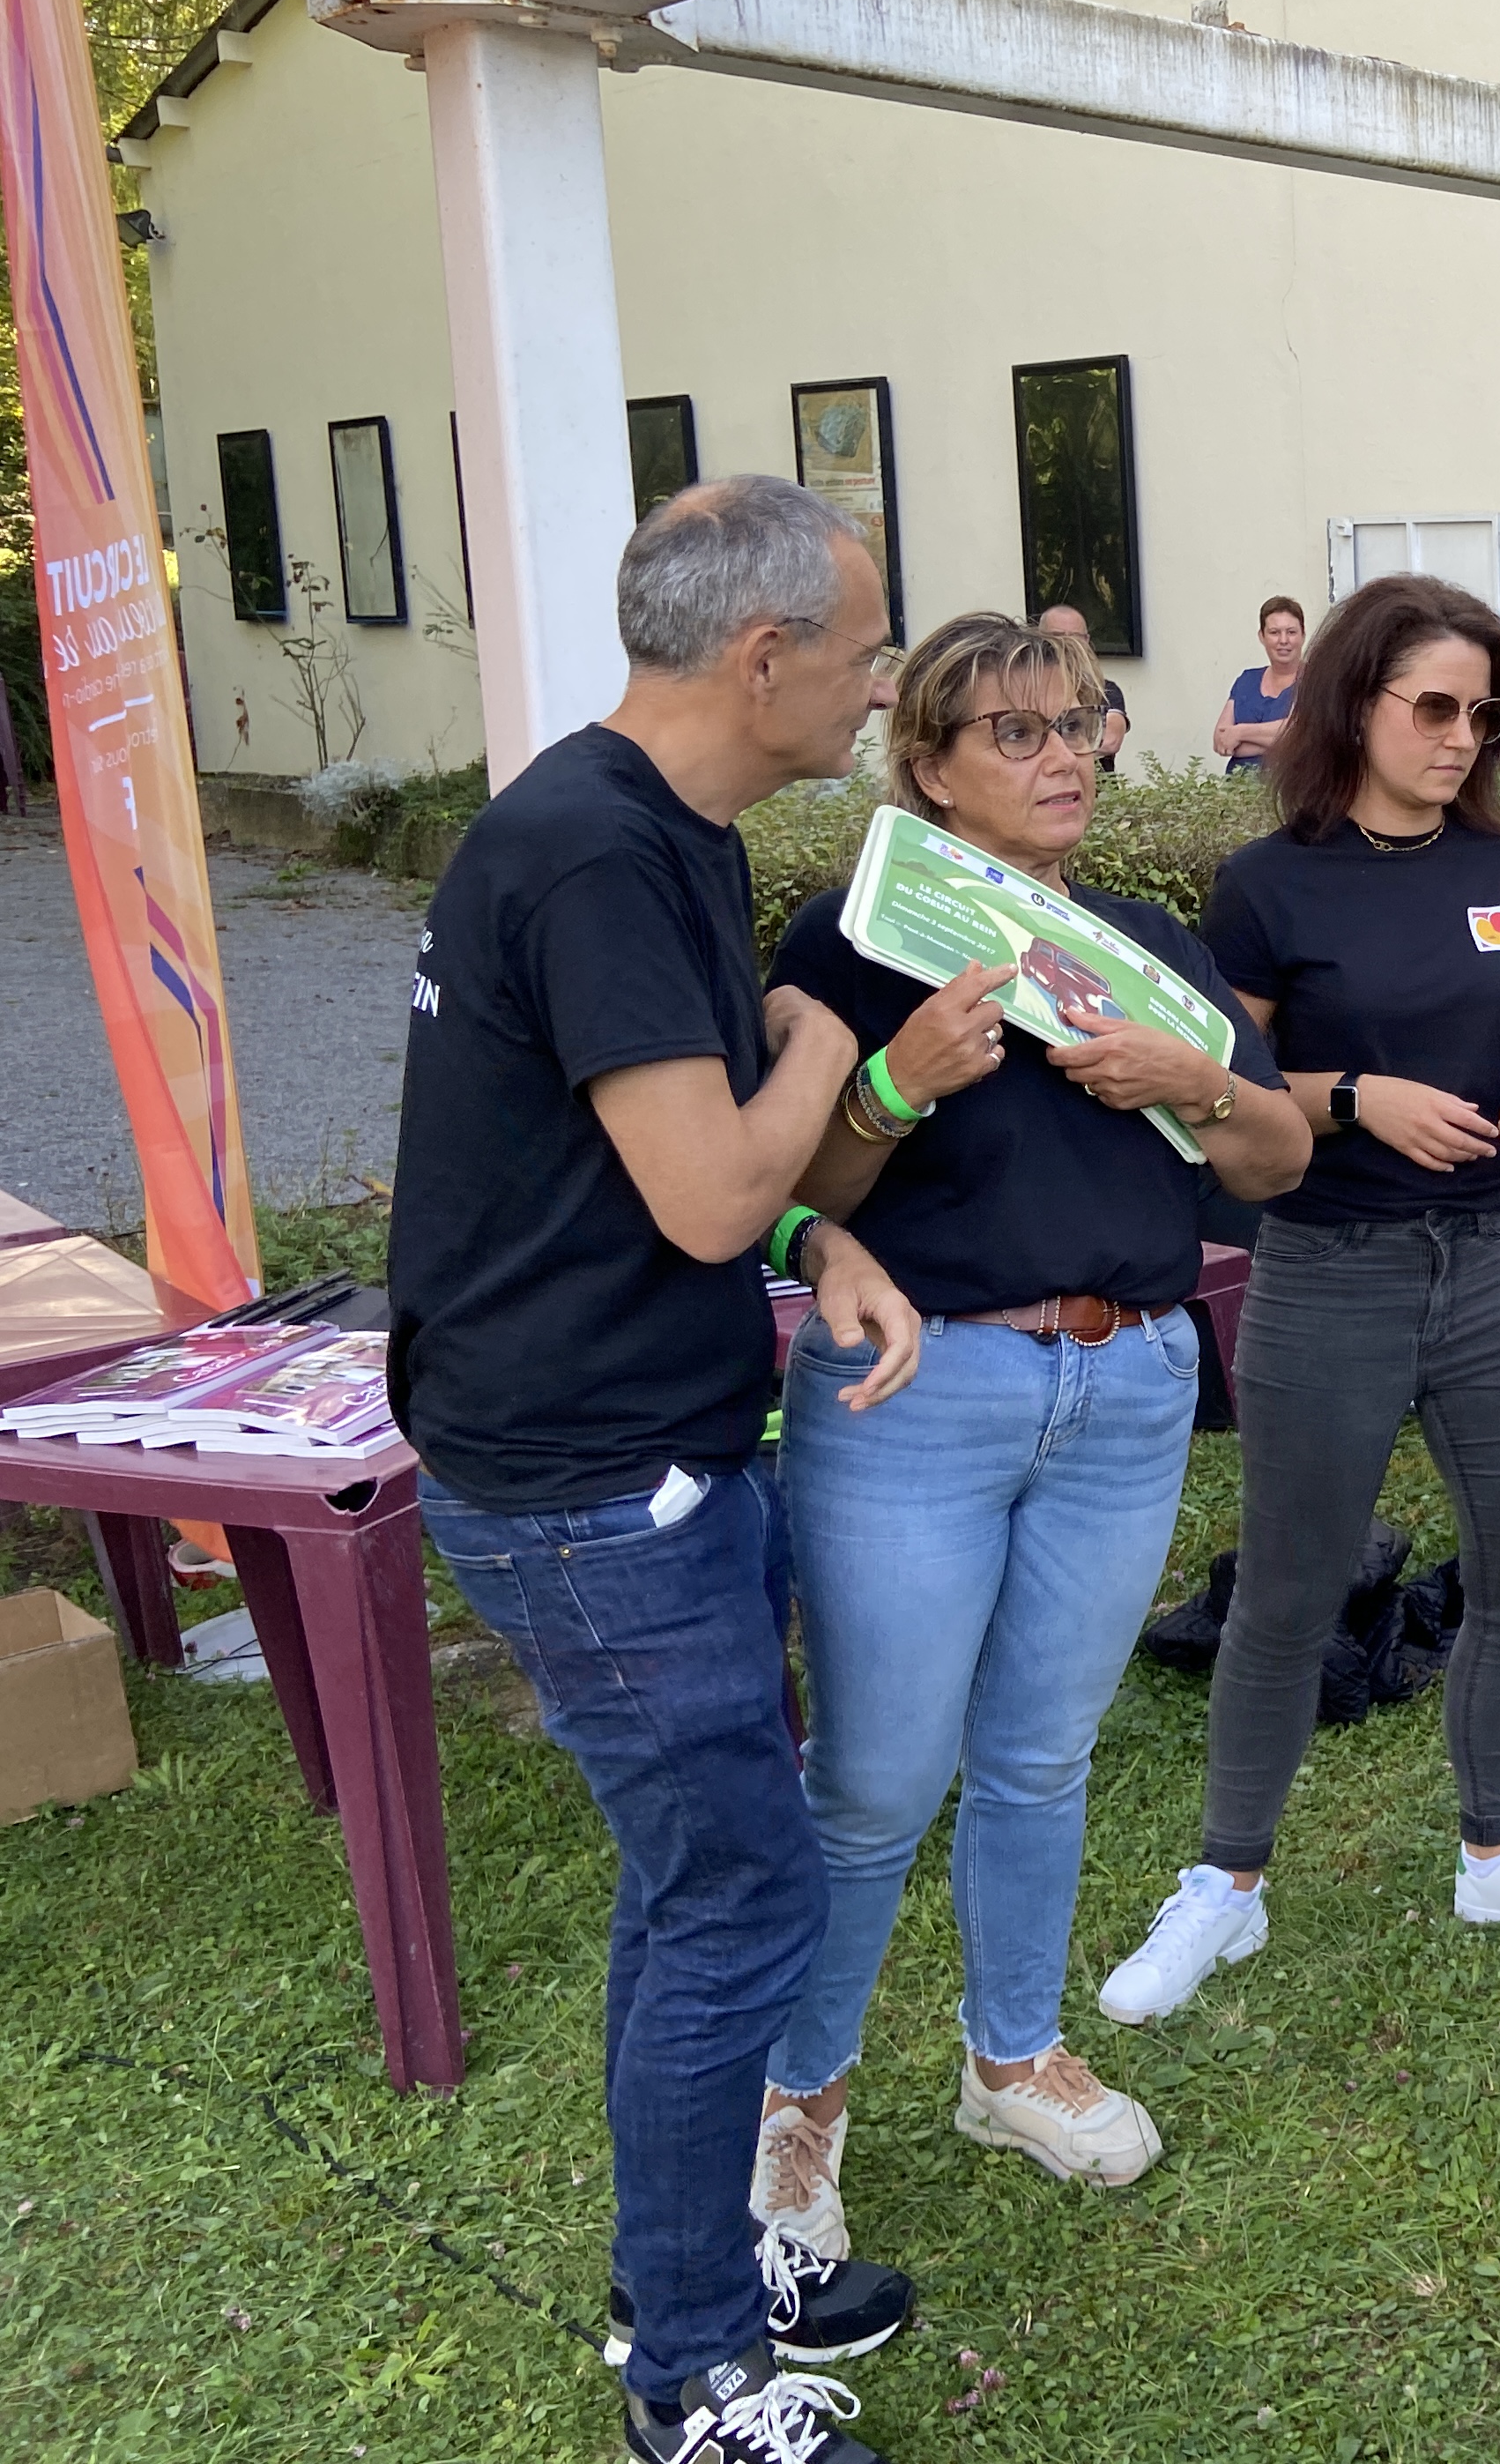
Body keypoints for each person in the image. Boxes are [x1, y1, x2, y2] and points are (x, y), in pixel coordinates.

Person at [390, 477, 927, 2464]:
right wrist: (823, 1061)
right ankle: (693, 2366)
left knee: (694, 1883)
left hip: (635, 1452)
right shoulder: (598, 855)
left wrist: (825, 1227)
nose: (877, 687)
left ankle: (681, 2263)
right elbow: (708, 1183)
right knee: (738, 1900)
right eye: (864, 651)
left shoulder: (656, 827)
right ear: (762, 654)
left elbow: (672, 1166)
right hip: (594, 1487)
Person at [746, 613, 1308, 2256]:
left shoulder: (1143, 940)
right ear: (926, 765)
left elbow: (1273, 1161)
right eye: (1013, 730)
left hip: (1127, 1384)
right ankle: (802, 2099)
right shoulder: (847, 948)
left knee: (1041, 1754)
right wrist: (891, 1087)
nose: (1062, 753)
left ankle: (1008, 2055)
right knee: (870, 1778)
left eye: (1079, 720)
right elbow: (780, 1196)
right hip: (920, 1397)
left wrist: (1186, 1076)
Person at [1095, 572, 1500, 2027]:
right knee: (1287, 1587)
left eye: (1482, 711)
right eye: (1433, 705)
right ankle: (1228, 1880)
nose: (1462, 735)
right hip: (1331, 1266)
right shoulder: (1268, 884)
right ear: (1355, 702)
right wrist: (1360, 1097)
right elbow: (1234, 1100)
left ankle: (1498, 1841)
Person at [1212, 594, 1308, 772]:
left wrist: (1239, 732)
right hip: (1238, 792)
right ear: (1262, 636)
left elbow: (1300, 734)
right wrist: (1281, 739)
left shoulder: (1315, 680)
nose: (1283, 640)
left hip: (1291, 788)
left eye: (1291, 632)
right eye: (1274, 632)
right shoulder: (1247, 680)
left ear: (1303, 635)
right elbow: (1221, 740)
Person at [1033, 603, 1128, 772]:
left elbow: (1110, 740)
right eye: (1058, 636)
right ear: (1039, 639)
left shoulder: (1105, 690)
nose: (1068, 644)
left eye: (1075, 637)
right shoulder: (1028, 691)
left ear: (1087, 641)